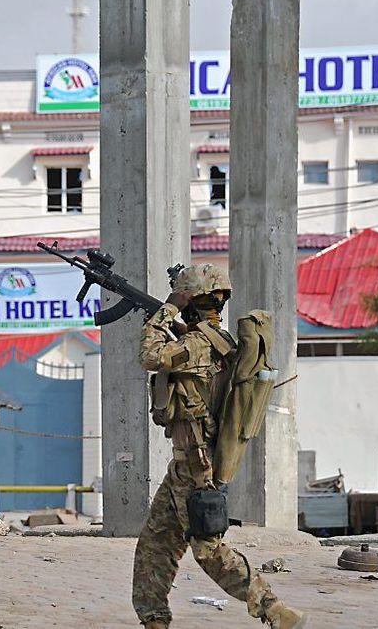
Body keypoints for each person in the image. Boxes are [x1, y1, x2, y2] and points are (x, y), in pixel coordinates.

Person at [132, 264, 305, 629]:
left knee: (207, 550)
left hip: (196, 466)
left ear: (191, 299)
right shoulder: (217, 341)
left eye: (184, 297)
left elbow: (150, 355)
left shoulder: (196, 344)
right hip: (187, 464)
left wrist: (166, 309)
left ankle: (272, 607)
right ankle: (154, 619)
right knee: (155, 544)